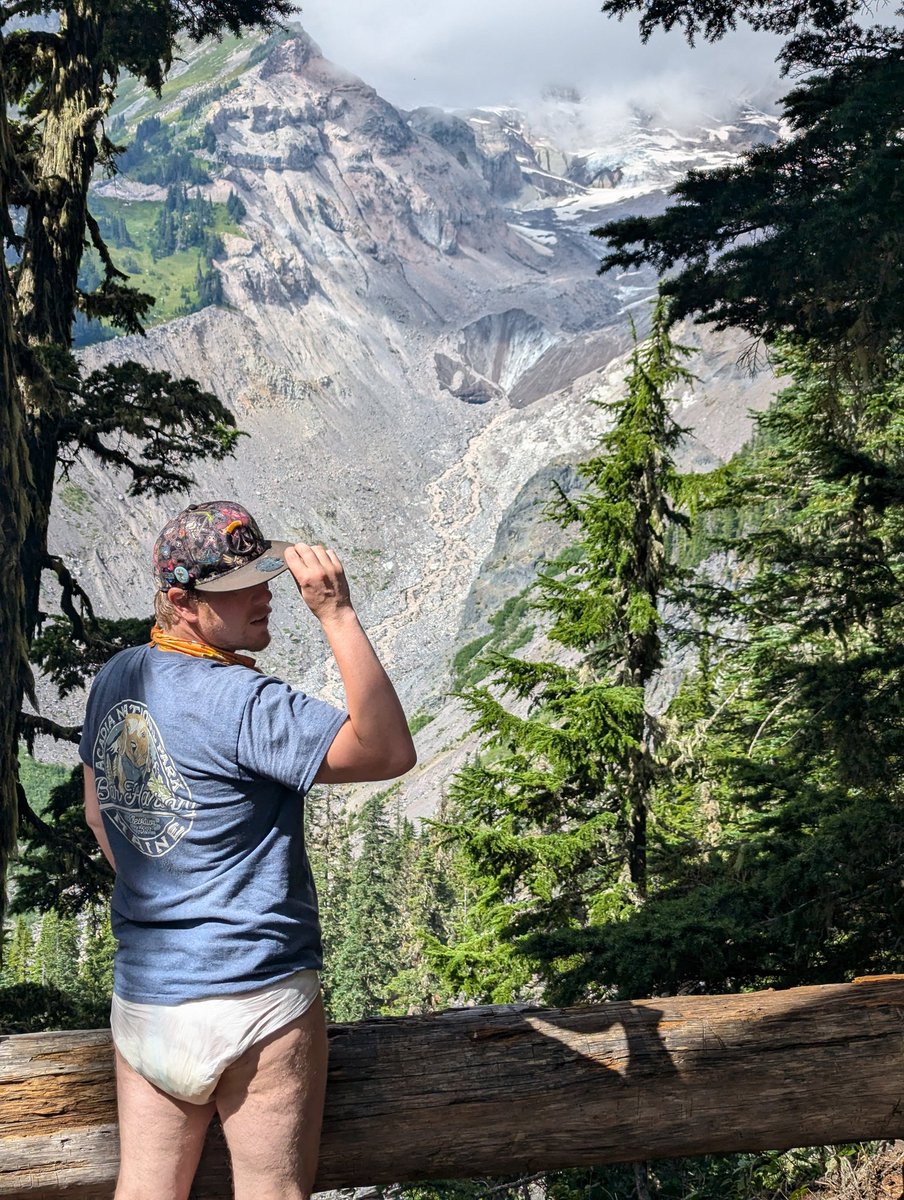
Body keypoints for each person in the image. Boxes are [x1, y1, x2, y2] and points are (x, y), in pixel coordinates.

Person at [79, 499, 417, 1200]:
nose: (266, 595)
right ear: (182, 601)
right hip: (255, 996)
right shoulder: (243, 703)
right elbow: (386, 749)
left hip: (148, 1000)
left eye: (264, 577)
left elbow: (97, 810)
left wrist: (166, 890)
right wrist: (337, 614)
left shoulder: (118, 677)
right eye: (239, 590)